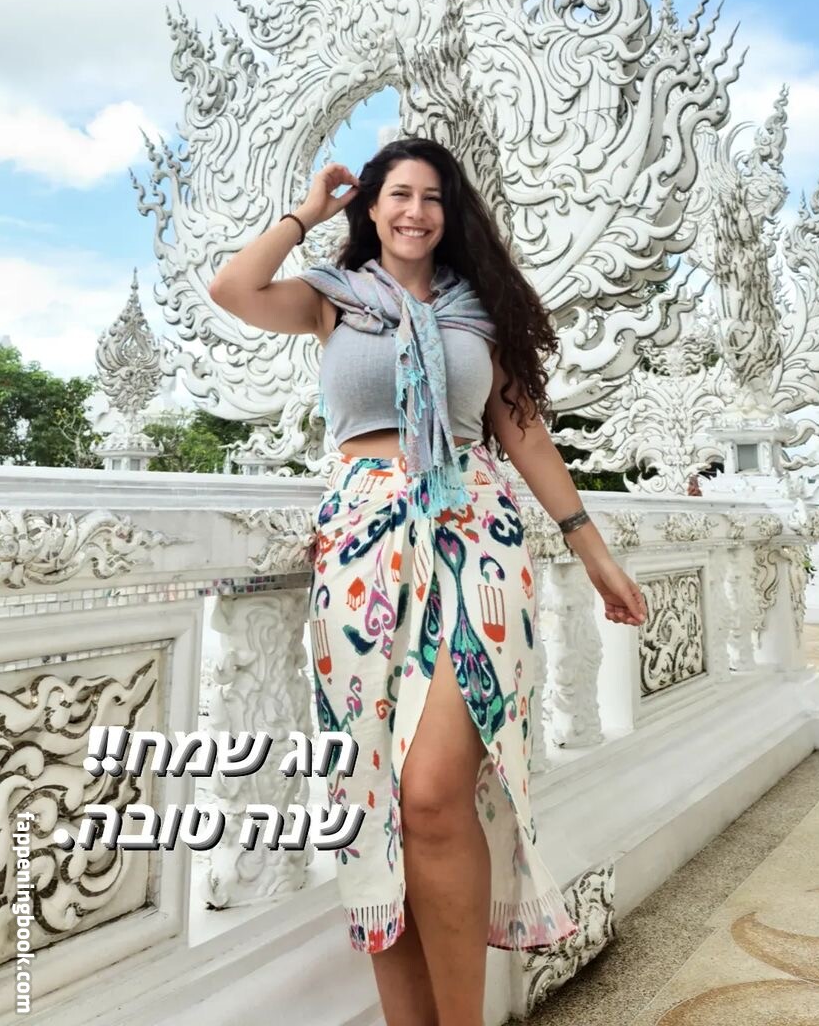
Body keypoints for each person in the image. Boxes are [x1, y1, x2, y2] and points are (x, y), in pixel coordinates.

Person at [209, 138, 647, 1026]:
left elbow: (523, 433)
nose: (416, 211)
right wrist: (308, 211)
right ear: (371, 208)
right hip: (363, 552)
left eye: (433, 198)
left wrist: (593, 549)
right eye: (399, 195)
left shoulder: (478, 312)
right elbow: (233, 289)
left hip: (474, 540)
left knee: (434, 792)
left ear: (452, 215)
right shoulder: (333, 300)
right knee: (376, 798)